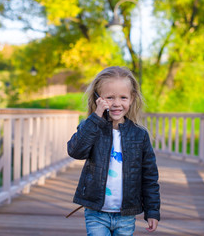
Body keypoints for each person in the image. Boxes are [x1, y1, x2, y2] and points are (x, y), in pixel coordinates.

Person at [67, 66, 160, 236]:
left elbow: (149, 176)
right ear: (98, 99)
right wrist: (95, 118)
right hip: (96, 212)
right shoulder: (92, 128)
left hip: (126, 214)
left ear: (132, 99)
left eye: (123, 97)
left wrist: (152, 211)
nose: (117, 103)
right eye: (110, 98)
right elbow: (75, 151)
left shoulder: (140, 135)